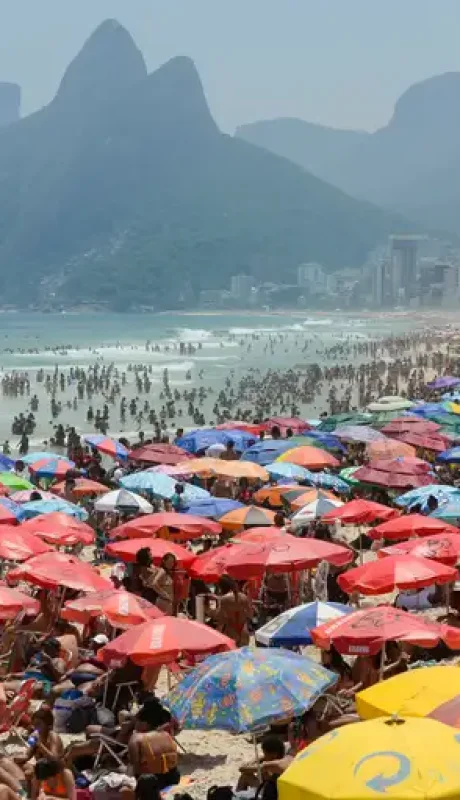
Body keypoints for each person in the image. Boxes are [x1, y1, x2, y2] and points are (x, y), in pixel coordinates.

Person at [128, 702, 179, 791]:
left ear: (146, 723)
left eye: (138, 721)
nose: (135, 725)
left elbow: (135, 767)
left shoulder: (136, 738)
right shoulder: (166, 735)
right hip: (173, 778)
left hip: (152, 782)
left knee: (126, 768)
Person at [210, 576, 252, 646]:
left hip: (231, 633)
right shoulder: (244, 596)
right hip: (244, 632)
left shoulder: (224, 599)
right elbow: (250, 614)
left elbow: (220, 617)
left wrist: (209, 611)